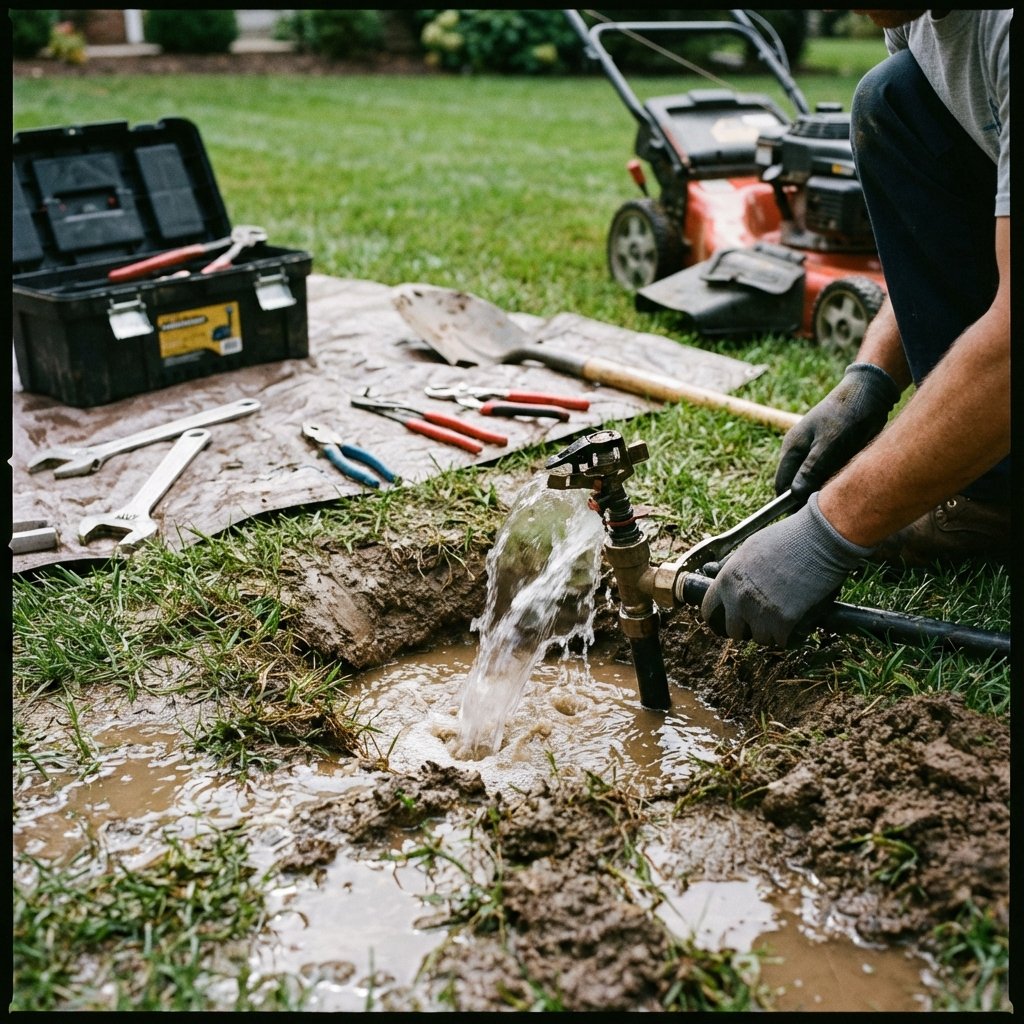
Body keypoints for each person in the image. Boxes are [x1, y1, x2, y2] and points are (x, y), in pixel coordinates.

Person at [700, 9, 1011, 647]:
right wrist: (869, 377)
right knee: (890, 98)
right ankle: (999, 499)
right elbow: (950, 239)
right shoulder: (915, 16)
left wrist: (828, 531)